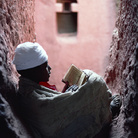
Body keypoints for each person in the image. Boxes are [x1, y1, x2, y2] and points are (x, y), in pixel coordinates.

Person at [13, 42, 121, 138]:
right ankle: (108, 111)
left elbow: (55, 106)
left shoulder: (29, 88)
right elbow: (54, 115)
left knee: (85, 83)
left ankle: (102, 109)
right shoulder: (30, 97)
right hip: (59, 133)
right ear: (34, 71)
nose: (49, 68)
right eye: (45, 66)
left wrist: (66, 94)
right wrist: (70, 95)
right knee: (95, 83)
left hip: (57, 127)